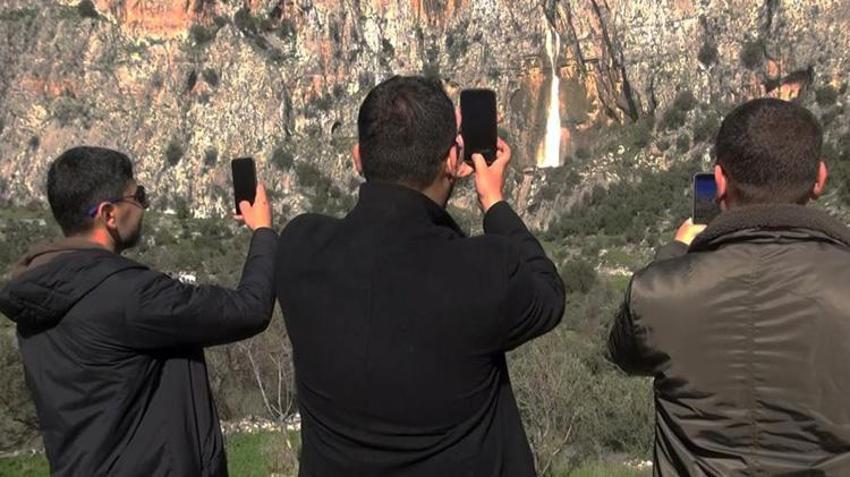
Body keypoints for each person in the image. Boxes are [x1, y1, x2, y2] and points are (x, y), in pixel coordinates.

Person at [276, 76, 565, 476]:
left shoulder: (298, 249)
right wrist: (493, 201)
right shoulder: (481, 272)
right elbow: (548, 294)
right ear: (452, 159)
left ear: (358, 157)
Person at [0, 146, 277, 476]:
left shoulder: (39, 295)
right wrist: (263, 232)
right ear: (109, 215)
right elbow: (250, 309)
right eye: (138, 195)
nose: (145, 205)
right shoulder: (127, 295)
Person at [608, 98, 850, 475]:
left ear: (719, 181)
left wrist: (675, 253)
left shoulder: (659, 293)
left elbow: (624, 353)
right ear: (820, 178)